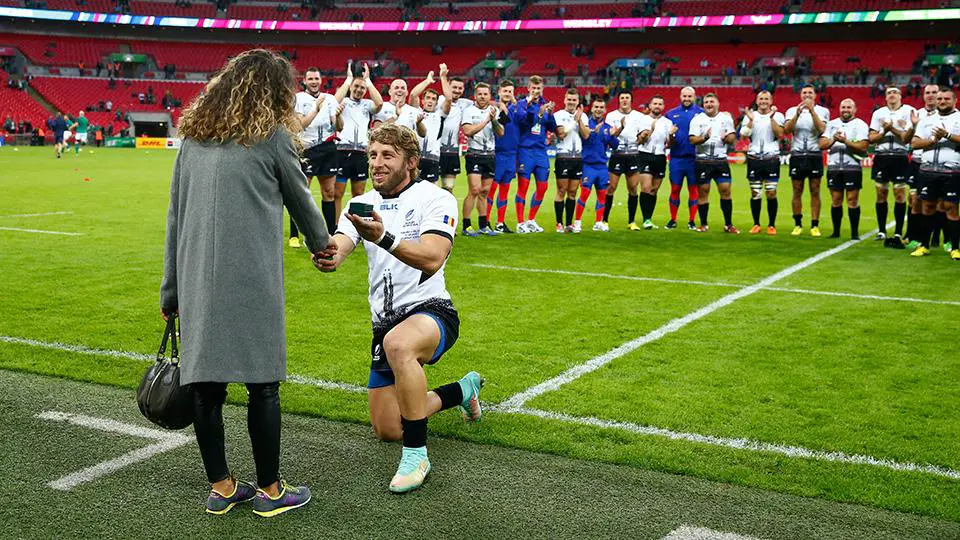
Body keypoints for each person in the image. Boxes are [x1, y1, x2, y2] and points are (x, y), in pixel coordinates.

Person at [161, 49, 332, 517]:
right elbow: (303, 202)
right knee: (263, 384)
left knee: (206, 387)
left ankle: (221, 486)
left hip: (197, 277)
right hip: (252, 277)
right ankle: (272, 491)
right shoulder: (273, 137)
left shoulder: (193, 138)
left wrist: (170, 290)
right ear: (274, 92)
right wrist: (323, 245)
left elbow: (175, 217)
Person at [315, 123, 484, 493]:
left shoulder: (435, 198)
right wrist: (330, 255)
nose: (376, 163)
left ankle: (417, 456)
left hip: (432, 311)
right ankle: (463, 390)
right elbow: (343, 241)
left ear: (411, 161)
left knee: (399, 345)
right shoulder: (363, 203)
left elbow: (433, 257)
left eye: (387, 155)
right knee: (388, 428)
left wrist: (386, 237)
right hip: (384, 323)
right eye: (373, 155)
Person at [291, 66, 342, 247]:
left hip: (328, 148)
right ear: (305, 81)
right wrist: (315, 109)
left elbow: (338, 126)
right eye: (310, 78)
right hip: (307, 149)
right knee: (301, 193)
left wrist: (339, 116)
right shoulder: (299, 98)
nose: (313, 82)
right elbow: (299, 126)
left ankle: (329, 233)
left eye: (316, 79)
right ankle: (295, 235)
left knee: (329, 192)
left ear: (321, 80)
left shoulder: (329, 98)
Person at [910, 87, 960, 259]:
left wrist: (947, 135)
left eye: (946, 99)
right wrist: (932, 140)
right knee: (928, 206)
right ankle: (924, 245)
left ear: (954, 101)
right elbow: (914, 144)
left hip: (952, 171)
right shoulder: (926, 120)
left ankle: (955, 247)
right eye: (939, 99)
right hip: (927, 170)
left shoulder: (959, 118)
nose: (942, 101)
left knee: (951, 208)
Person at [332, 61, 384, 220]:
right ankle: (335, 226)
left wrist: (368, 81)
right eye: (356, 86)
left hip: (361, 153)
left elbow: (380, 103)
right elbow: (334, 101)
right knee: (337, 193)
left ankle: (357, 227)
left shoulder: (367, 105)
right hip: (342, 151)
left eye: (362, 88)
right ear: (350, 87)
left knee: (358, 193)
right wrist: (348, 80)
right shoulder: (344, 102)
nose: (359, 90)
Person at [868, 87, 915, 244]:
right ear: (885, 97)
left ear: (900, 96)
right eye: (889, 93)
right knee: (881, 194)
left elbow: (907, 138)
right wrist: (883, 132)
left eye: (895, 92)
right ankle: (881, 231)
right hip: (881, 156)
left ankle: (897, 233)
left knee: (900, 195)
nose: (892, 95)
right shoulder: (878, 113)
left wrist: (891, 129)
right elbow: (872, 138)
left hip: (900, 157)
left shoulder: (909, 111)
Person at [819, 98, 869, 240]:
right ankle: (836, 232)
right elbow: (821, 144)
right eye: (843, 107)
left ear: (854, 109)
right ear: (839, 109)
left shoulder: (860, 125)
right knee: (836, 199)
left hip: (852, 167)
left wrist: (845, 141)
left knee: (852, 199)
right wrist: (833, 140)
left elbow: (863, 146)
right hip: (834, 167)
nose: (845, 110)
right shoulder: (831, 124)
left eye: (848, 107)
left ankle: (854, 233)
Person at [784, 85, 830, 236]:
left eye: (810, 92)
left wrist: (812, 111)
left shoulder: (823, 111)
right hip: (797, 154)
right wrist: (797, 114)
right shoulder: (791, 110)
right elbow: (787, 130)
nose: (807, 95)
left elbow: (822, 129)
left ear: (815, 95)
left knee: (815, 190)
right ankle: (797, 224)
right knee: (797, 190)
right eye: (804, 92)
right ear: (800, 95)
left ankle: (814, 225)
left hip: (814, 154)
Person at [688, 93, 737, 233]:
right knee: (703, 192)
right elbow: (692, 140)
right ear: (703, 105)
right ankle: (703, 224)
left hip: (720, 160)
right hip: (702, 161)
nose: (709, 104)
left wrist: (727, 138)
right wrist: (705, 137)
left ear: (717, 104)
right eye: (706, 102)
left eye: (712, 102)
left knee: (725, 190)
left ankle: (728, 224)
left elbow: (733, 137)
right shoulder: (697, 120)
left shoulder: (725, 118)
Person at [461, 82, 504, 236]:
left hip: (490, 155)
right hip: (474, 154)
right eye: (480, 94)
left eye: (485, 94)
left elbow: (501, 133)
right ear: (475, 95)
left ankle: (483, 225)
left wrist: (493, 120)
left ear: (489, 96)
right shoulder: (468, 111)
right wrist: (485, 121)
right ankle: (466, 225)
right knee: (474, 190)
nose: (483, 96)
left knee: (485, 192)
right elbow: (467, 131)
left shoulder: (495, 111)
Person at [514, 75, 556, 233]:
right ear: (528, 89)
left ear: (542, 89)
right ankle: (520, 223)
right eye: (534, 88)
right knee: (523, 187)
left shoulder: (546, 105)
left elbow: (551, 127)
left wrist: (550, 114)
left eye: (539, 88)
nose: (536, 91)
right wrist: (538, 112)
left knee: (543, 187)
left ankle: (531, 219)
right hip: (525, 150)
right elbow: (523, 122)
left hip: (541, 151)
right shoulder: (522, 104)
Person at [573, 97, 619, 232]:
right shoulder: (586, 124)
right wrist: (594, 132)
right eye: (596, 107)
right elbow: (585, 140)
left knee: (602, 195)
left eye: (601, 107)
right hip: (588, 165)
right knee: (584, 194)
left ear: (604, 110)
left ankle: (598, 222)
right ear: (592, 109)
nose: (598, 110)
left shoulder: (607, 127)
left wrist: (612, 135)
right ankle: (577, 222)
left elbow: (615, 146)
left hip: (602, 166)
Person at [741, 91, 784, 234]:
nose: (763, 101)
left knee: (771, 192)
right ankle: (756, 224)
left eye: (766, 99)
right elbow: (744, 135)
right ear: (757, 101)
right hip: (754, 158)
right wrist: (750, 120)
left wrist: (771, 118)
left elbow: (780, 134)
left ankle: (772, 225)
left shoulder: (778, 115)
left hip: (771, 158)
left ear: (771, 101)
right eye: (761, 99)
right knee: (755, 192)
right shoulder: (751, 115)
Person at [905, 84, 941, 251]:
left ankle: (937, 238)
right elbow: (906, 139)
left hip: (938, 164)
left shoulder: (945, 115)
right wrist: (913, 126)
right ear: (923, 95)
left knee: (939, 202)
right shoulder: (916, 114)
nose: (931, 95)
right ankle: (914, 237)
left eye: (934, 92)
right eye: (928, 93)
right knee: (915, 201)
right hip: (917, 162)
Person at [665, 86, 704, 230]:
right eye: (684, 96)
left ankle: (692, 220)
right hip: (676, 158)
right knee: (675, 189)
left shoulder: (701, 113)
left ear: (694, 97)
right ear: (680, 97)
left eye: (689, 96)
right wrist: (670, 135)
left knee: (693, 190)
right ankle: (673, 219)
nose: (686, 99)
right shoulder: (670, 114)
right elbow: (667, 138)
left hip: (695, 159)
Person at [604, 90, 644, 229]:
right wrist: (618, 129)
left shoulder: (639, 116)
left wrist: (643, 136)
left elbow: (641, 135)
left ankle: (632, 221)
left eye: (627, 98)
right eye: (622, 98)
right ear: (619, 100)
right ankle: (604, 220)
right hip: (617, 154)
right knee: (611, 187)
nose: (624, 100)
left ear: (631, 100)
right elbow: (609, 136)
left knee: (633, 188)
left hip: (633, 155)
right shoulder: (611, 116)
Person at [636, 95, 674, 229]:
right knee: (646, 187)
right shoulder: (643, 120)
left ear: (663, 107)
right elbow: (638, 141)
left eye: (660, 104)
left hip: (660, 157)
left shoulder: (667, 122)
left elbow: (671, 144)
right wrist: (644, 135)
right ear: (650, 106)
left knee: (653, 190)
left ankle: (649, 219)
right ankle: (646, 219)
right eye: (655, 103)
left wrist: (672, 135)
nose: (657, 106)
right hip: (645, 155)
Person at [489, 79, 521, 233]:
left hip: (512, 155)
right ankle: (486, 221)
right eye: (505, 91)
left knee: (505, 190)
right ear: (499, 92)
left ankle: (500, 223)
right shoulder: (493, 108)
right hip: (498, 153)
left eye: (510, 91)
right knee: (492, 189)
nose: (507, 94)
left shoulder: (517, 109)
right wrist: (501, 109)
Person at [552, 88, 584, 232]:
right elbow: (561, 134)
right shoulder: (558, 115)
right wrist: (574, 121)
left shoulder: (583, 116)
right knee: (562, 190)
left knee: (573, 192)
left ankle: (569, 224)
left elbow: (586, 135)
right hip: (563, 157)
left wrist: (580, 121)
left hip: (577, 158)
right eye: (569, 99)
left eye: (574, 100)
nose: (571, 102)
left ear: (577, 102)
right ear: (565, 100)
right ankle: (559, 223)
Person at [437, 64, 472, 193]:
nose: (457, 90)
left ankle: (446, 213)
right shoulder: (439, 100)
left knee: (448, 188)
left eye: (460, 88)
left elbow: (481, 103)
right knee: (432, 188)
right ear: (448, 87)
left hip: (452, 152)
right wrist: (443, 77)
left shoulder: (465, 103)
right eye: (454, 87)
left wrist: (499, 103)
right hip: (435, 151)